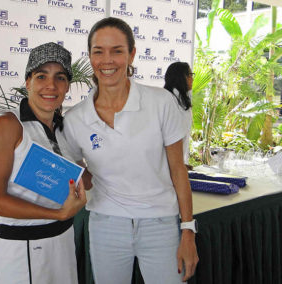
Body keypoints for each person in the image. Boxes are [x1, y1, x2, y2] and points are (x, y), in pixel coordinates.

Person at [62, 17, 199, 284]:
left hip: (160, 224)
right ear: (90, 55)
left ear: (131, 54)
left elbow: (178, 170)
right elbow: (79, 173)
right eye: (98, 51)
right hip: (106, 226)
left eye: (117, 51)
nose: (107, 60)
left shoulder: (160, 103)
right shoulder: (76, 119)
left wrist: (188, 231)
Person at [0, 42, 87, 284]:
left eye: (60, 77)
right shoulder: (8, 125)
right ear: (28, 82)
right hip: (24, 248)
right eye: (41, 76)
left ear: (67, 86)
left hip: (62, 241)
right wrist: (58, 213)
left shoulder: (64, 129)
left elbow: (81, 178)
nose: (51, 85)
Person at [164, 62, 194, 170]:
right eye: (190, 75)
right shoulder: (168, 100)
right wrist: (177, 165)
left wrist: (181, 164)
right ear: (181, 77)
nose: (192, 79)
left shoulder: (182, 99)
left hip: (176, 165)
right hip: (166, 167)